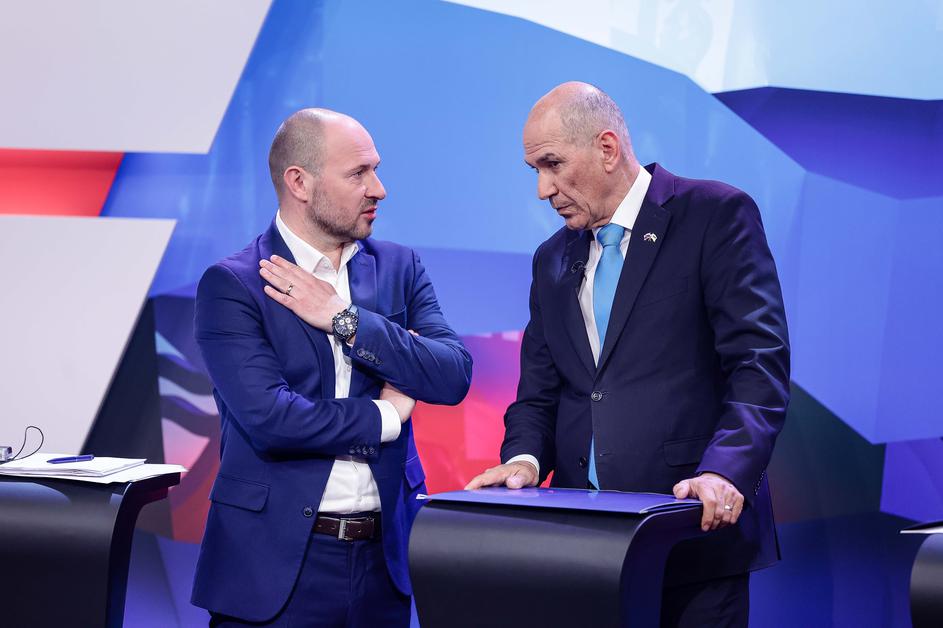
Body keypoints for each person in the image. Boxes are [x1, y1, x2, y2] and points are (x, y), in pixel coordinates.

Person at [466, 82, 790, 626]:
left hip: (690, 533)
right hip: (584, 549)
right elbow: (540, 391)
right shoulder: (551, 258)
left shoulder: (713, 214)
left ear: (607, 148)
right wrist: (523, 460)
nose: (543, 189)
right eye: (535, 170)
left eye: (552, 164)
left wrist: (725, 471)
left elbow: (758, 363)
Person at [191, 108, 472, 627]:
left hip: (383, 565)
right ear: (299, 182)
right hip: (272, 568)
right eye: (358, 173)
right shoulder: (234, 285)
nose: (379, 189)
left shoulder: (400, 268)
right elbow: (272, 419)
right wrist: (387, 415)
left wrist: (347, 320)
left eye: (376, 170)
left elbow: (452, 375)